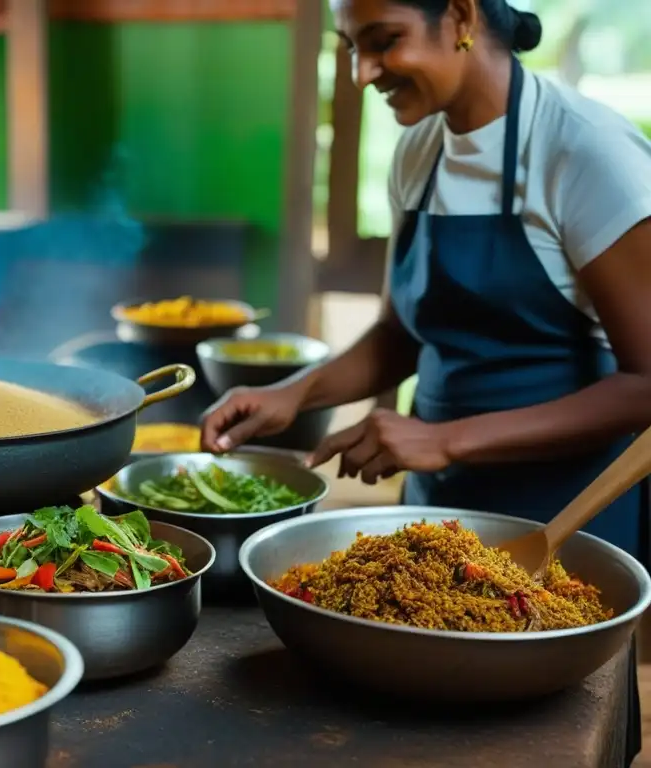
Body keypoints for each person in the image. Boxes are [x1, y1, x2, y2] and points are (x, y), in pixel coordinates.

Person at [201, 1, 651, 761]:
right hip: (435, 511)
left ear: (463, 17)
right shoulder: (418, 151)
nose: (361, 73)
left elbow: (647, 383)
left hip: (566, 517)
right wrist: (296, 395)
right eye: (350, 48)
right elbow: (401, 334)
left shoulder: (585, 151)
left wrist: (443, 439)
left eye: (383, 43)